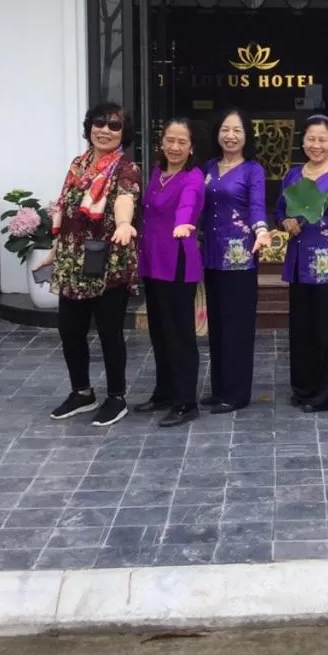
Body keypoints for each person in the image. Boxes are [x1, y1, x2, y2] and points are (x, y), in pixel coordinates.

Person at [41, 101, 140, 428]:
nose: (105, 131)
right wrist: (55, 248)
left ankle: (116, 397)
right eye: (100, 123)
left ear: (124, 134)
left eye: (115, 126)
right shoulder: (78, 164)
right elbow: (66, 208)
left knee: (110, 333)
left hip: (107, 262)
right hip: (72, 260)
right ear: (89, 127)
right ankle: (82, 392)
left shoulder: (126, 168)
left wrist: (124, 223)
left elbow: (125, 199)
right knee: (70, 330)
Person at [276, 115, 328, 412]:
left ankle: (323, 395)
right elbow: (279, 210)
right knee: (301, 328)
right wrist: (284, 222)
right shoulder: (293, 175)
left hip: (327, 263)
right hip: (298, 261)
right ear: (302, 141)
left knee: (326, 329)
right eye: (311, 138)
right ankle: (302, 387)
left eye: (323, 139)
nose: (316, 145)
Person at [135, 119, 205, 427]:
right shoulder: (156, 173)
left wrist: (183, 222)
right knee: (159, 332)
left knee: (179, 335)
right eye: (170, 140)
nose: (175, 147)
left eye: (182, 142)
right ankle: (164, 391)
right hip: (152, 260)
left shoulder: (193, 177)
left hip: (177, 261)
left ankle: (186, 401)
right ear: (161, 142)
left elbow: (188, 206)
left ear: (191, 148)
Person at [201, 108, 271, 412]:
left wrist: (262, 230)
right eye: (226, 129)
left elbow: (257, 207)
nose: (231, 136)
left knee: (237, 327)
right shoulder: (208, 167)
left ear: (246, 137)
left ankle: (236, 393)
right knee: (216, 324)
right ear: (218, 133)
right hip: (211, 256)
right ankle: (219, 389)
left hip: (240, 256)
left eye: (238, 130)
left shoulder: (252, 170)